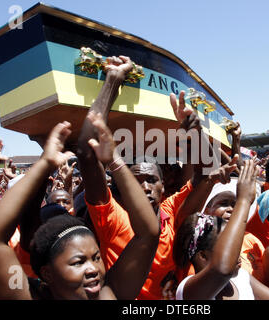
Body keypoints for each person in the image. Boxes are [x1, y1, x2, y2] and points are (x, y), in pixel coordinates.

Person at [76, 55, 228, 300]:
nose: (145, 187)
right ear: (119, 187)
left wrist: (196, 133)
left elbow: (206, 174)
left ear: (163, 184)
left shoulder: (171, 212)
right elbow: (86, 152)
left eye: (151, 180)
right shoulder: (112, 217)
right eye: (135, 181)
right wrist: (113, 80)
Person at [0, 120, 160, 300]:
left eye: (96, 258)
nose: (93, 269)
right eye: (78, 262)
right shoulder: (25, 295)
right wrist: (44, 164)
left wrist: (115, 160)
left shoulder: (107, 294)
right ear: (47, 273)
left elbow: (148, 233)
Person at [174, 160, 269, 300]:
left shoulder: (240, 276)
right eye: (228, 247)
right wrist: (244, 200)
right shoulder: (189, 290)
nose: (238, 256)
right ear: (202, 256)